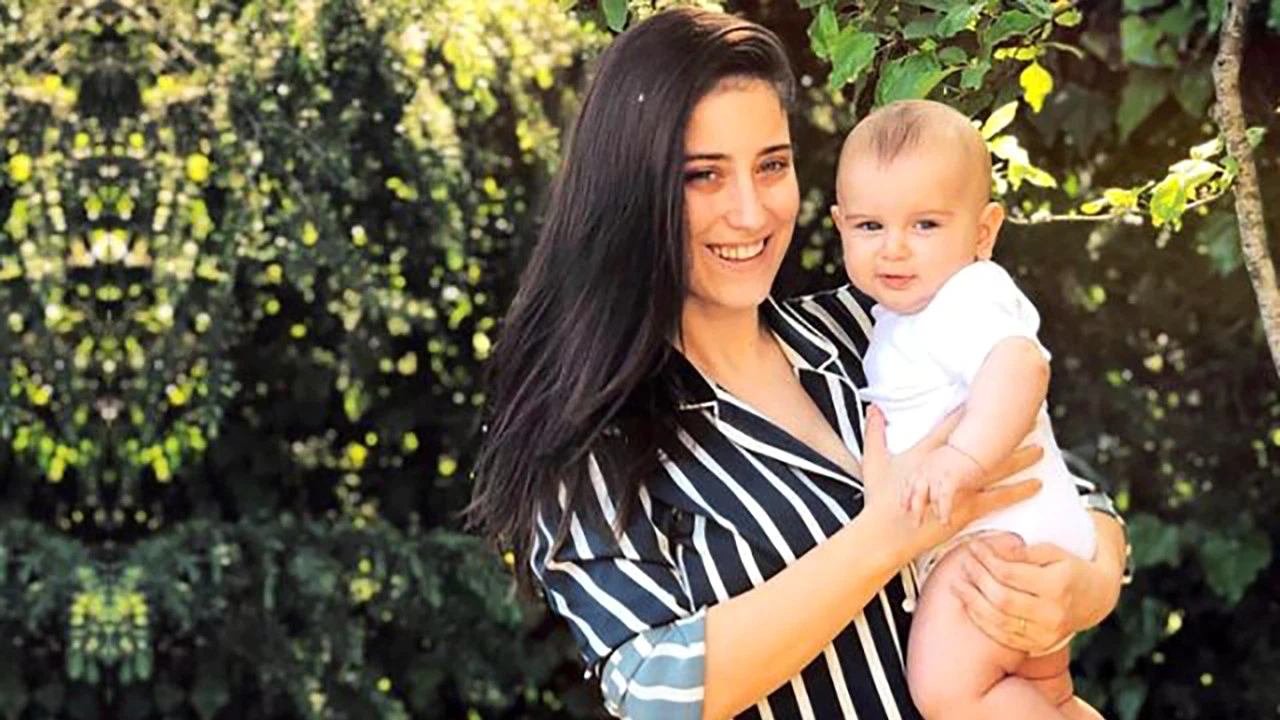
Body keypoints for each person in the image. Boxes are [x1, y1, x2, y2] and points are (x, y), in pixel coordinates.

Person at [468, 8, 1129, 720]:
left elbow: (1064, 481)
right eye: (703, 176)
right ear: (632, 191)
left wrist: (1086, 587)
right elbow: (654, 691)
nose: (751, 213)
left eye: (771, 166)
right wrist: (883, 540)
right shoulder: (595, 433)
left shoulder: (871, 322)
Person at [831, 99, 1101, 720]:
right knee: (1050, 696)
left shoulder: (967, 294)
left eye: (925, 224)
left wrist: (962, 459)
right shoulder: (895, 317)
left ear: (983, 232)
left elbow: (1021, 365)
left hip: (995, 543)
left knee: (948, 691)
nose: (894, 248)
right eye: (870, 226)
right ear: (840, 225)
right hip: (1016, 539)